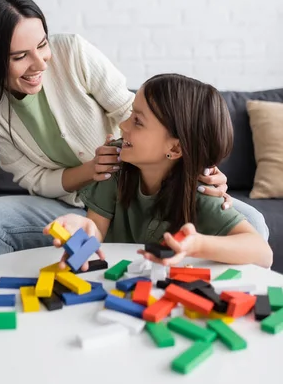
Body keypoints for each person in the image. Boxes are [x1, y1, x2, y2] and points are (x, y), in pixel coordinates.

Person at [0, 0, 269, 264]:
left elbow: (136, 111)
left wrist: (205, 168)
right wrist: (80, 232)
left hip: (156, 183)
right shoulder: (113, 169)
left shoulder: (74, 55)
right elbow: (79, 218)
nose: (40, 64)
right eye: (21, 56)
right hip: (76, 204)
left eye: (42, 45)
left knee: (252, 224)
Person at [44, 74, 273, 270]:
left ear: (175, 148)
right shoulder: (116, 162)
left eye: (138, 121)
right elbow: (95, 231)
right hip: (118, 279)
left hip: (168, 287)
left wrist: (197, 244)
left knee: (253, 219)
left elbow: (263, 253)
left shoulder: (200, 189)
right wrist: (80, 234)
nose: (123, 125)